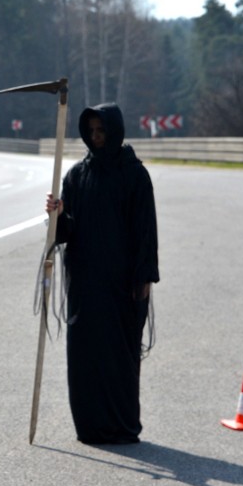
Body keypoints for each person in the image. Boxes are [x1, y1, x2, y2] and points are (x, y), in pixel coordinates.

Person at [45, 102, 159, 445]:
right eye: (91, 132)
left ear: (114, 131)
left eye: (101, 131)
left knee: (119, 358)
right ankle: (90, 426)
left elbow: (146, 233)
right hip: (85, 285)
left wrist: (143, 281)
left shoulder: (134, 175)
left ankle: (121, 426)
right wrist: (57, 216)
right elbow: (66, 234)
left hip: (122, 286)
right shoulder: (77, 176)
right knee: (85, 358)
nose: (96, 139)